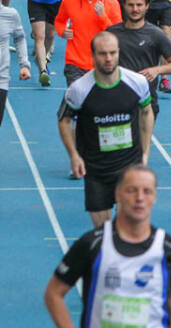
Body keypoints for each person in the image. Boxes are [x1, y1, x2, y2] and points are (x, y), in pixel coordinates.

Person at [44, 165, 171, 328]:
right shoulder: (92, 244)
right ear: (117, 194)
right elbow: (54, 292)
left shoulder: (170, 249)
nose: (139, 198)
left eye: (147, 191)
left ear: (154, 197)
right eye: (132, 190)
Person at [58, 31, 154, 227]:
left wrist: (145, 152)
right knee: (103, 233)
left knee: (129, 227)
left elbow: (147, 112)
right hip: (96, 169)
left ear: (119, 52)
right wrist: (74, 156)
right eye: (102, 54)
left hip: (130, 165)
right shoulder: (79, 89)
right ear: (93, 55)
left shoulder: (137, 82)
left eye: (112, 53)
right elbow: (64, 120)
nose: (108, 58)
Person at [54, 0, 123, 85]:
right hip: (74, 62)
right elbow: (59, 21)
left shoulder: (111, 2)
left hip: (101, 63)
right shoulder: (70, 0)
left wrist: (102, 16)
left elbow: (117, 33)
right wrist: (62, 31)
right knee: (76, 95)